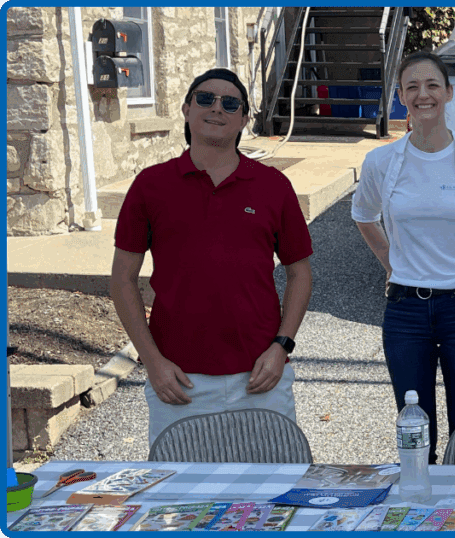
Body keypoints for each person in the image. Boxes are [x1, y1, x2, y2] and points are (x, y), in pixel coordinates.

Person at [111, 68, 313, 447]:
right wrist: (152, 362)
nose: (217, 108)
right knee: (183, 499)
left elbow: (300, 273)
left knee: (273, 491)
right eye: (205, 98)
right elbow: (122, 279)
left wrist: (281, 347)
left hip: (261, 376)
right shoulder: (150, 186)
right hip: (178, 381)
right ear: (187, 110)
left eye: (230, 102)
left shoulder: (273, 186)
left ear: (243, 120)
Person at [351, 51, 455, 464]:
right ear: (400, 96)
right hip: (405, 311)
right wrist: (391, 262)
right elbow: (363, 215)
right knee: (414, 430)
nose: (422, 95)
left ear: (448, 92)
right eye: (412, 87)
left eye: (431, 85)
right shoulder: (381, 161)